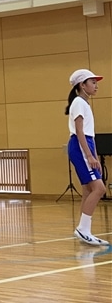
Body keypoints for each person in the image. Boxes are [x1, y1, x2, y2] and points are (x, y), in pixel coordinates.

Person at [65, 68, 107, 246]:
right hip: (80, 147)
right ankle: (83, 230)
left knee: (89, 190)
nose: (96, 86)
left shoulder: (83, 103)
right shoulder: (79, 103)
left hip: (86, 145)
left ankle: (83, 230)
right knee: (100, 189)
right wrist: (89, 155)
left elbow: (90, 135)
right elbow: (80, 131)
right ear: (82, 85)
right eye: (93, 82)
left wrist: (94, 154)